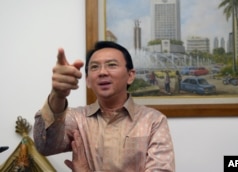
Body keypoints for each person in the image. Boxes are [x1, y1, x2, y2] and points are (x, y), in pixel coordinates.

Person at [33, 41, 175, 172]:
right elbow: (45, 146)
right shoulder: (77, 118)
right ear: (88, 80)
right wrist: (57, 95)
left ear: (130, 76)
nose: (102, 72)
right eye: (94, 67)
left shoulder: (153, 121)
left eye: (112, 65)